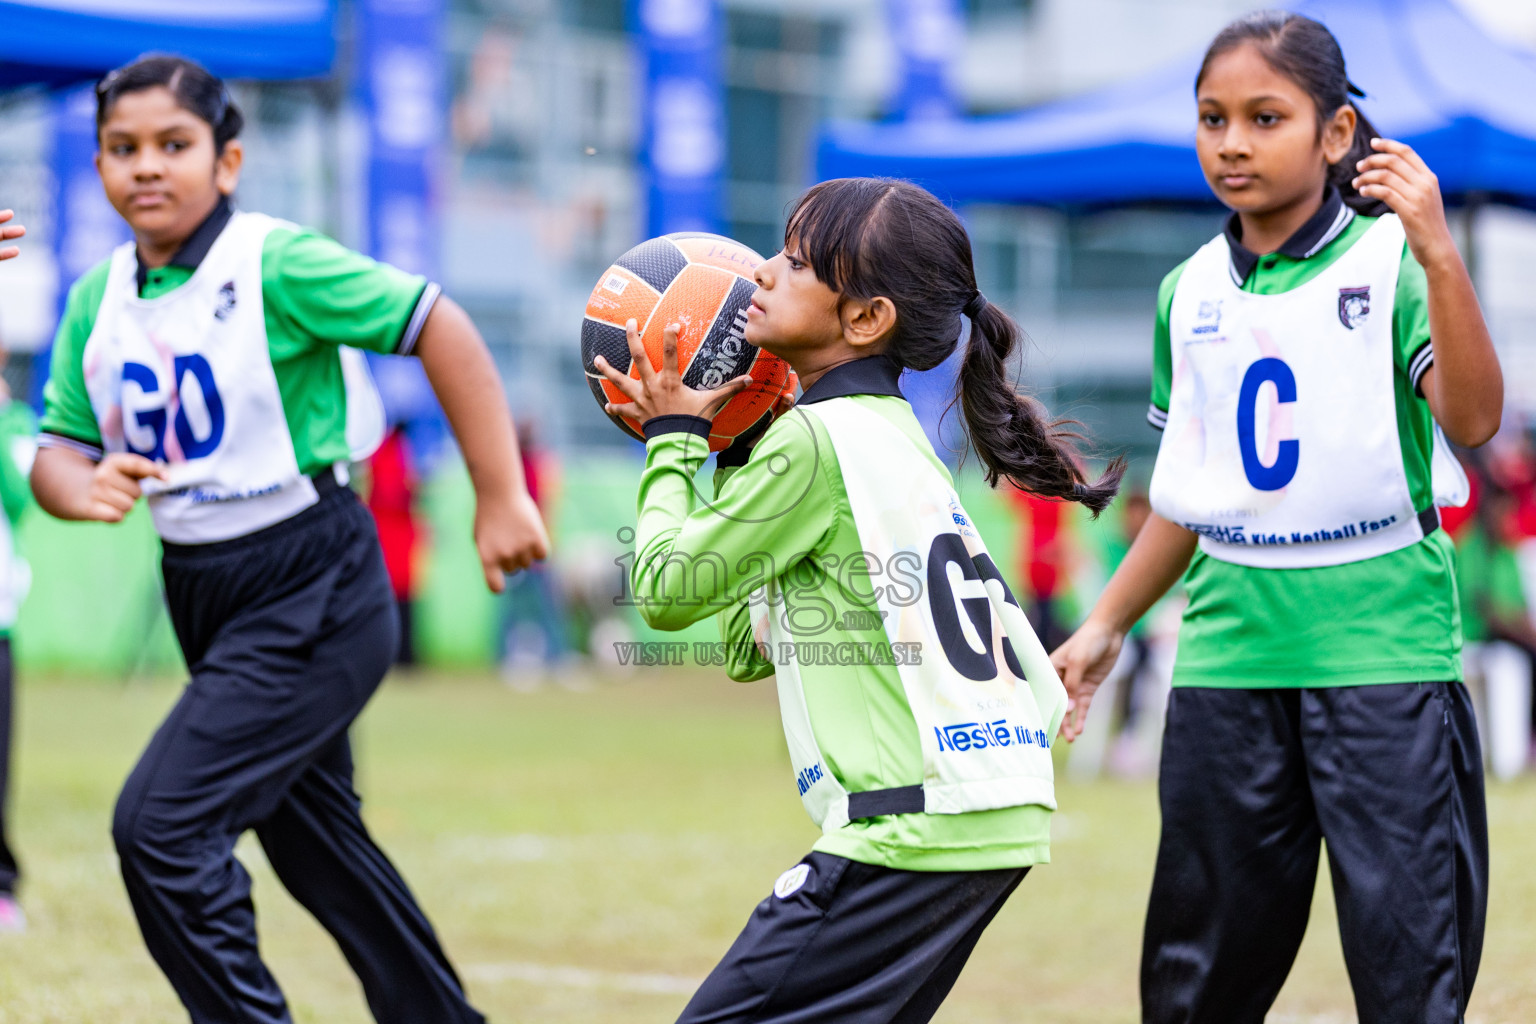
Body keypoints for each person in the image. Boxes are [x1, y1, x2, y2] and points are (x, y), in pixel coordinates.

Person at [29, 55, 548, 1024]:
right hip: (202, 584)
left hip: (312, 577)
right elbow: (56, 444)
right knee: (316, 842)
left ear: (227, 163)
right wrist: (82, 482)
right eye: (122, 149)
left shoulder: (274, 261)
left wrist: (499, 493)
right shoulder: (97, 299)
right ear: (98, 166)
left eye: (173, 146)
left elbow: (439, 324)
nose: (147, 167)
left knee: (161, 829)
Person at [1051, 12, 1499, 1023]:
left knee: (1409, 978)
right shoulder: (1187, 292)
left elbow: (1472, 418)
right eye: (1212, 118)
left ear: (1337, 133)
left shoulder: (1392, 266)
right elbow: (1191, 495)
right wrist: (1105, 622)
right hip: (1227, 670)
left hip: (1383, 661)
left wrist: (1440, 255)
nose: (1233, 142)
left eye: (1265, 117)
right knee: (1194, 983)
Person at [594, 177, 1121, 1024]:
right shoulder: (882, 432)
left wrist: (674, 443)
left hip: (911, 824)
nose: (760, 272)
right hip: (983, 809)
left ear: (866, 319)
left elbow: (661, 592)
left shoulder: (814, 441)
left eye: (796, 263)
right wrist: (736, 459)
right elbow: (746, 646)